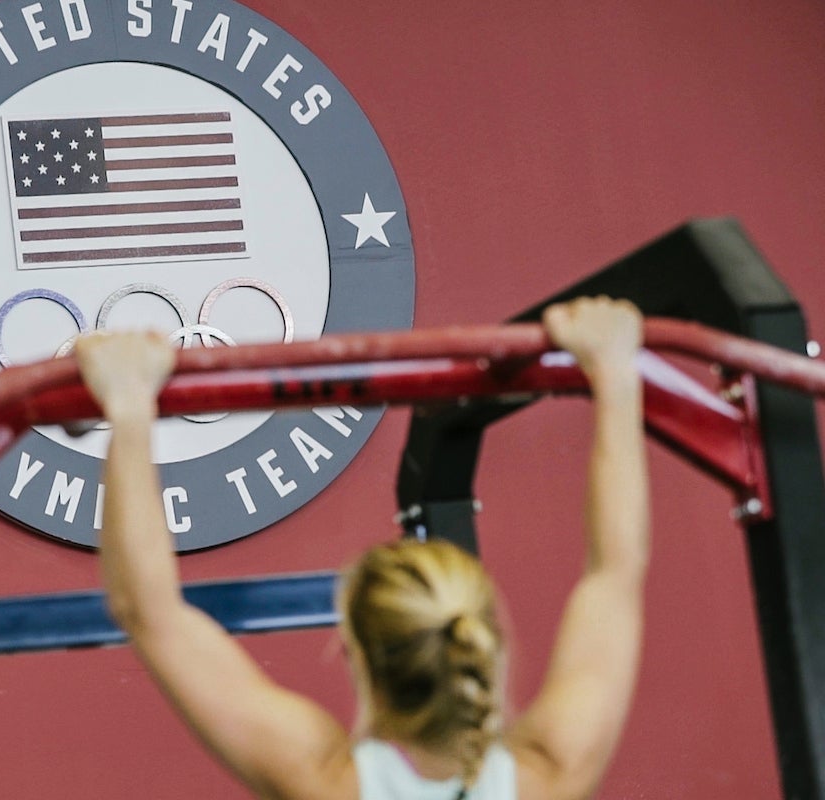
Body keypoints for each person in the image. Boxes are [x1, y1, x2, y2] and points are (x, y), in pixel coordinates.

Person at [72, 296, 649, 800]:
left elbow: (147, 610)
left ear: (353, 653)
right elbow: (615, 574)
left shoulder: (324, 783)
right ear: (487, 640)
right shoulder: (553, 776)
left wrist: (128, 404)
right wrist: (616, 374)